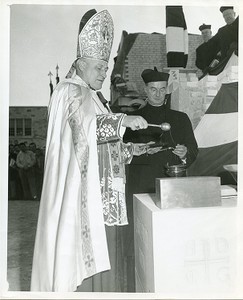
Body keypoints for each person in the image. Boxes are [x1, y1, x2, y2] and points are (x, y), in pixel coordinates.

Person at [31, 9, 148, 292]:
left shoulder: (95, 98)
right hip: (82, 201)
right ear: (81, 64)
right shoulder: (67, 92)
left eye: (106, 69)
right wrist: (122, 120)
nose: (104, 74)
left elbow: (101, 146)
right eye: (99, 68)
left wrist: (129, 150)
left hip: (104, 199)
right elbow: (82, 130)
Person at [123, 67, 198, 291]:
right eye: (153, 89)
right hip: (142, 185)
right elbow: (122, 153)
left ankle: (175, 282)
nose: (157, 94)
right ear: (145, 90)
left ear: (167, 91)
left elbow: (193, 149)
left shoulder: (180, 118)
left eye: (162, 89)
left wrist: (186, 154)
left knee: (174, 239)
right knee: (144, 239)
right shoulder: (133, 120)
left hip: (173, 185)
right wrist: (140, 151)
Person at [204, 6, 238, 75]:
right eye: (225, 15)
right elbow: (212, 42)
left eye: (229, 14)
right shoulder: (222, 30)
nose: (227, 17)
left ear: (234, 14)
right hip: (225, 61)